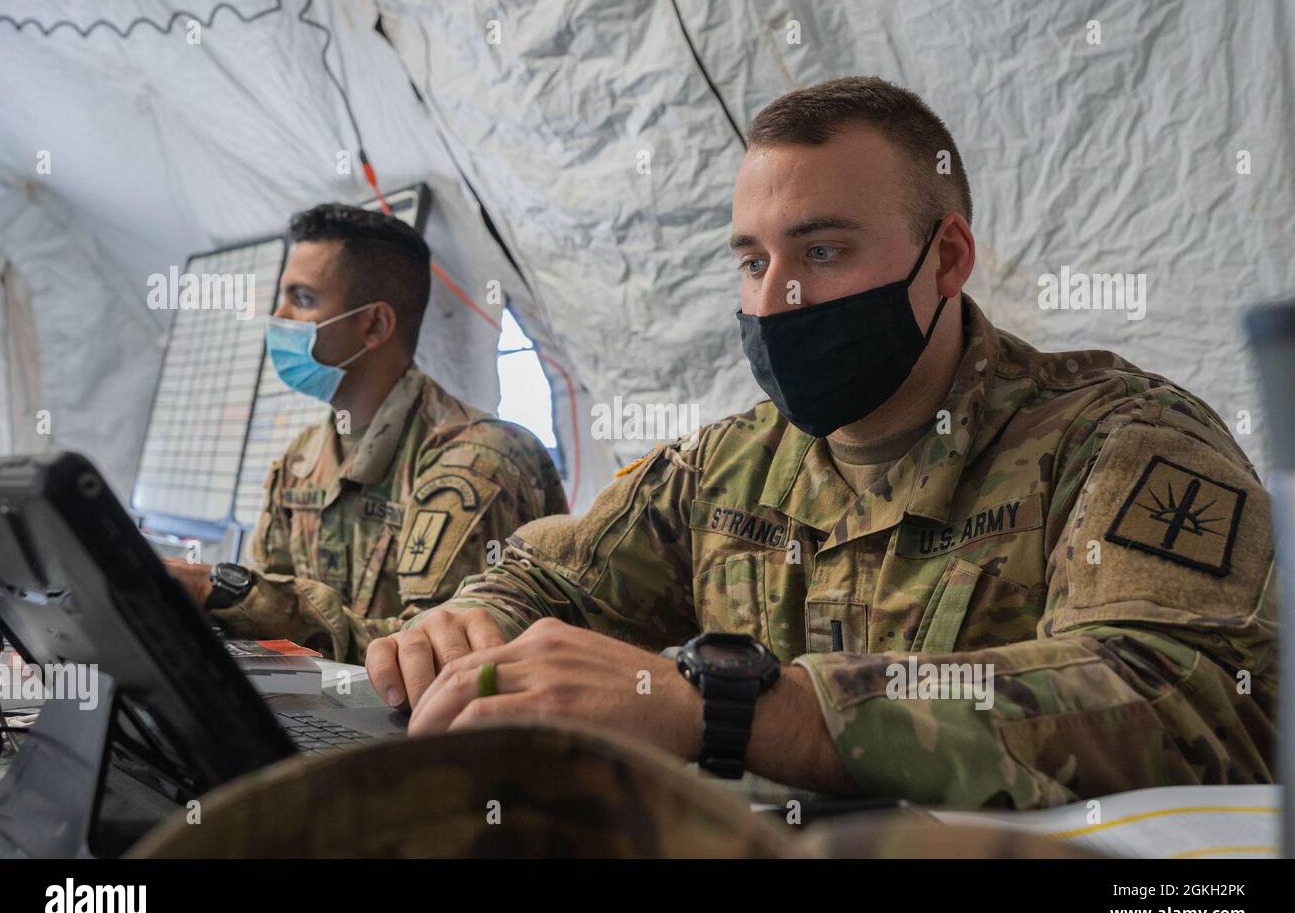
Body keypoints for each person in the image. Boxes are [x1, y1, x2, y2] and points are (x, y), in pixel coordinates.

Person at [365, 78, 1275, 808]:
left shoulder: (1118, 441)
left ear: (948, 260)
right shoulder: (723, 466)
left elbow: (1187, 697)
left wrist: (742, 711)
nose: (772, 302)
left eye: (823, 253)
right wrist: (468, 624)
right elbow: (552, 574)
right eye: (753, 262)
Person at [165, 204, 567, 664]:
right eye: (284, 296)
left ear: (374, 324)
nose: (280, 315)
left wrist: (221, 590)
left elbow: (435, 660)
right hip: (331, 719)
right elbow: (268, 639)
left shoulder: (478, 461)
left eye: (303, 298)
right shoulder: (301, 460)